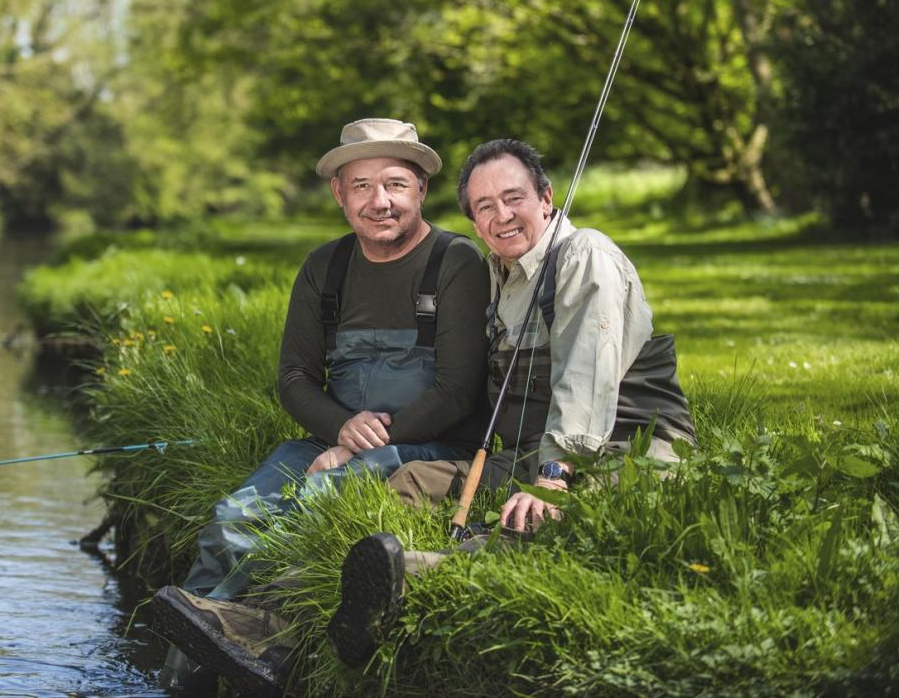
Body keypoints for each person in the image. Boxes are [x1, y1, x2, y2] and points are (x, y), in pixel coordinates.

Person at [327, 137, 697, 666]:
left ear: (547, 198)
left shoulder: (584, 255)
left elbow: (585, 381)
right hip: (533, 450)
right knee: (408, 482)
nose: (502, 215)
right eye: (484, 206)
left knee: (540, 520)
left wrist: (551, 478)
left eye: (514, 197)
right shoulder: (502, 276)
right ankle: (336, 577)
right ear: (474, 222)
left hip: (632, 445)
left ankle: (409, 579)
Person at [152, 118, 491, 695]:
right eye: (361, 186)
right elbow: (294, 378)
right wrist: (337, 429)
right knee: (230, 521)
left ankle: (262, 642)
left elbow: (458, 390)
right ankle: (184, 676)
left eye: (394, 184)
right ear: (339, 193)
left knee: (314, 503)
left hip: (428, 440)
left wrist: (355, 445)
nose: (379, 201)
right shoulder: (324, 268)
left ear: (420, 190)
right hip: (331, 436)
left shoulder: (456, 262)